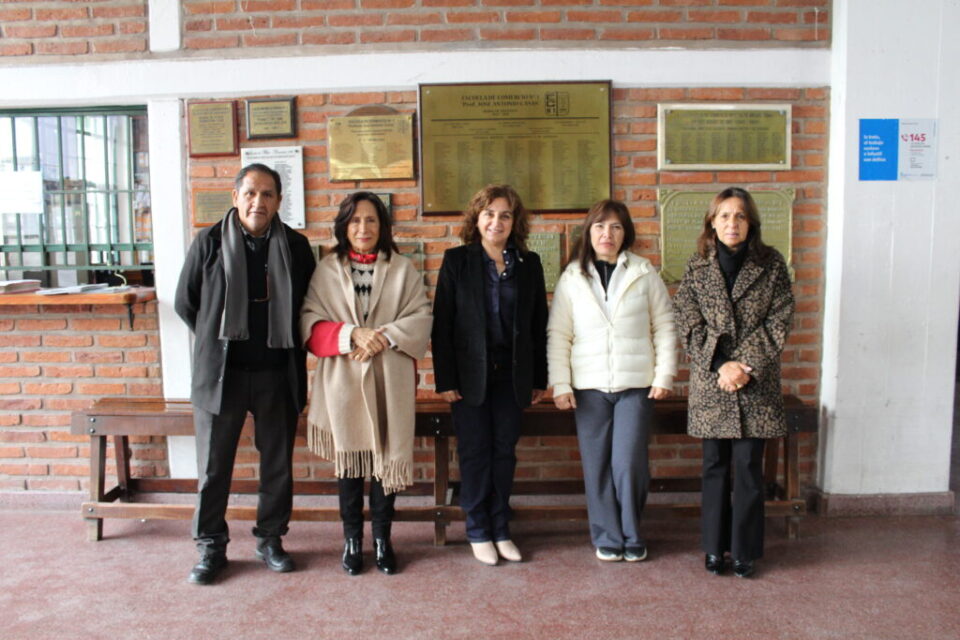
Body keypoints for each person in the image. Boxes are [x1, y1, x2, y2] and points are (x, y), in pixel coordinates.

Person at [175, 163, 316, 585]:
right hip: (223, 376)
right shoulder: (210, 242)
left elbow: (309, 305)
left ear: (278, 201)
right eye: (251, 193)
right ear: (236, 197)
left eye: (268, 194)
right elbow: (188, 303)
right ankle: (211, 546)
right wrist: (218, 340)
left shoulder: (295, 245)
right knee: (214, 467)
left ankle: (270, 539)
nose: (259, 202)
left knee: (277, 465)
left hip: (276, 372)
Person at [300, 192, 431, 576]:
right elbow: (308, 320)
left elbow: (422, 317)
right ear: (344, 226)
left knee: (384, 463)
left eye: (371, 220)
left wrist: (384, 336)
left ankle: (383, 540)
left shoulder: (403, 269)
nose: (363, 228)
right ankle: (353, 541)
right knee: (350, 465)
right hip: (343, 381)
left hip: (389, 379)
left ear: (382, 226)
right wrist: (351, 335)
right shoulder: (326, 269)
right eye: (355, 221)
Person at [673, 186, 795, 579]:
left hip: (755, 384)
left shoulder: (772, 265)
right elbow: (688, 323)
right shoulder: (696, 267)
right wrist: (723, 365)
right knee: (714, 467)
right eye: (724, 216)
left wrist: (745, 366)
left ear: (751, 223)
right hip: (714, 382)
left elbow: (779, 320)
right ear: (712, 221)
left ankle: (744, 551)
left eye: (739, 216)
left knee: (747, 468)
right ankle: (713, 548)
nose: (732, 223)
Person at [547, 199, 677, 563]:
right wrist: (561, 384)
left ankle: (633, 533)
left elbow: (664, 325)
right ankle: (607, 536)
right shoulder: (572, 276)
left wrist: (664, 374)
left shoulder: (643, 272)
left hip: (636, 385)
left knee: (628, 463)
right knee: (597, 466)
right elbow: (559, 334)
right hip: (588, 388)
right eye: (600, 226)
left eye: (616, 227)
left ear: (626, 233)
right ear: (589, 232)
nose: (608, 234)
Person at [432, 184, 548, 566]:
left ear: (515, 222)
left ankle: (501, 527)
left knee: (504, 453)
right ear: (476, 219)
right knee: (475, 452)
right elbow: (442, 326)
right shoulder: (457, 261)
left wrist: (539, 378)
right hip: (469, 378)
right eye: (489, 214)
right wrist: (445, 379)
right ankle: (478, 529)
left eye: (505, 215)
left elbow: (537, 324)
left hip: (512, 377)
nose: (496, 221)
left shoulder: (529, 264)